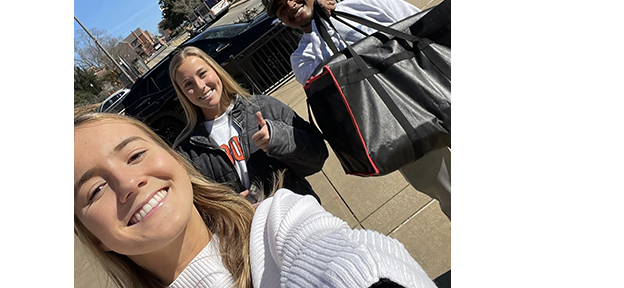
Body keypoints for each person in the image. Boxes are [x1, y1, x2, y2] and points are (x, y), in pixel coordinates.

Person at [74, 112, 439, 288]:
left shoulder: (279, 223)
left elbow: (347, 257)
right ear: (95, 239)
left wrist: (277, 140)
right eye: (94, 191)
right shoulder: (194, 141)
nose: (128, 183)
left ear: (175, 163)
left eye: (135, 155)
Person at [260, 0, 451, 219]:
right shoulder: (302, 58)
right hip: (399, 128)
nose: (290, 6)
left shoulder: (368, 3)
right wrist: (319, 23)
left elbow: (422, 30)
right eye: (281, 8)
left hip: (436, 92)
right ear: (280, 20)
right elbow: (329, 89)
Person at [168, 46, 328, 201]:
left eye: (202, 74)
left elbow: (318, 156)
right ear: (182, 94)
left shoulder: (264, 107)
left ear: (215, 70)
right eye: (188, 84)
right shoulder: (187, 151)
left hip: (299, 218)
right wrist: (234, 210)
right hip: (248, 228)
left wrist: (278, 139)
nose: (200, 86)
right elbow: (197, 210)